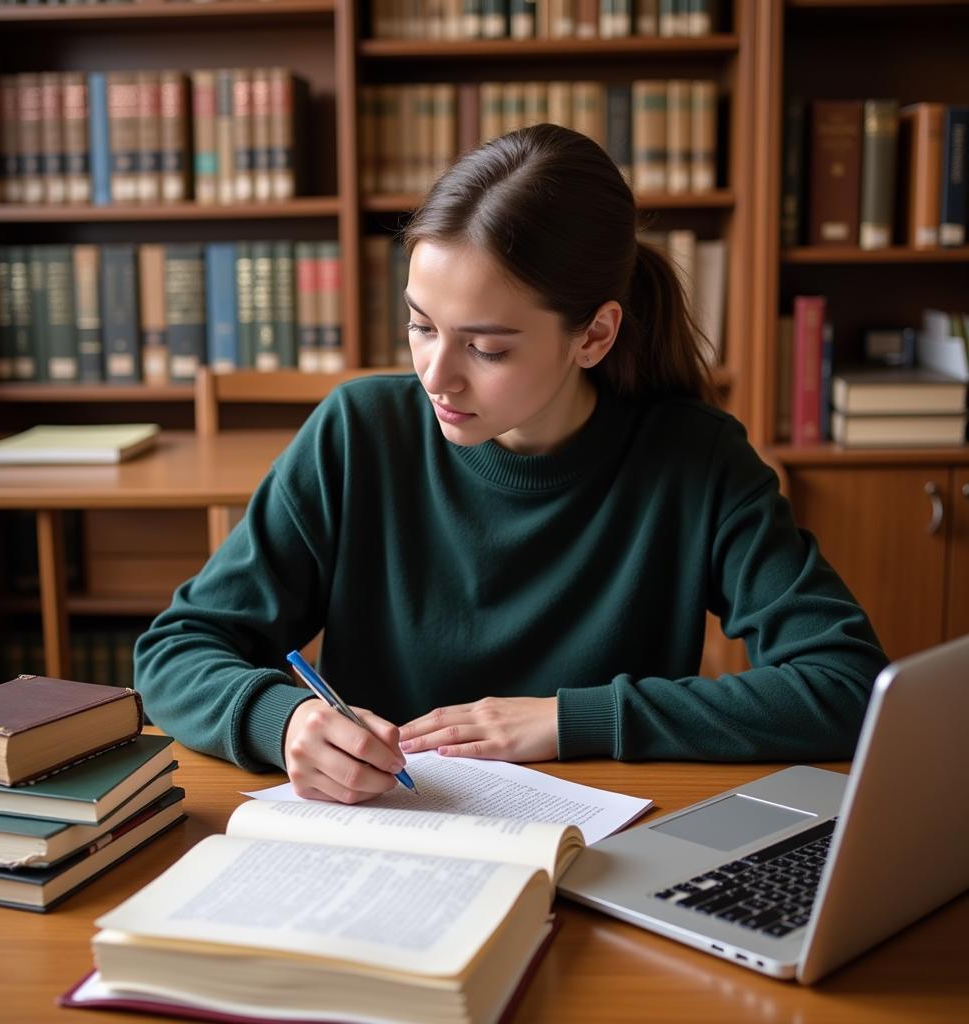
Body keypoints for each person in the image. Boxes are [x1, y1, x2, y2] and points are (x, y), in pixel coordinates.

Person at [135, 124, 887, 805]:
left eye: (486, 348)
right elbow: (175, 650)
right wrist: (284, 718)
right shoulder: (358, 433)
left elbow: (846, 686)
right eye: (420, 326)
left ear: (594, 336)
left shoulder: (694, 460)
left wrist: (574, 719)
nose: (436, 375)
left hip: (603, 855)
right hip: (386, 835)